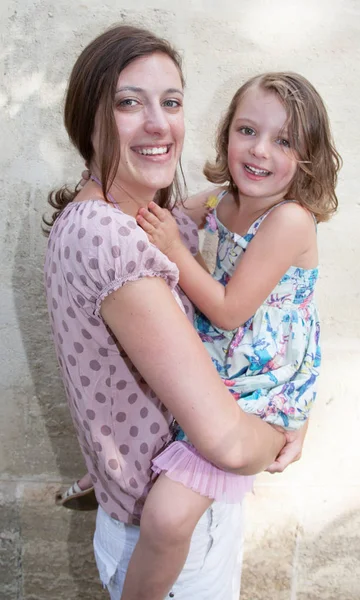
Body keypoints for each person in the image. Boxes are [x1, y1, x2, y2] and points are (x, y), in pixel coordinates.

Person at [44, 25, 307, 600]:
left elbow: (205, 205)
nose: (159, 123)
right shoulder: (115, 239)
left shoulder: (119, 219)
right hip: (173, 547)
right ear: (87, 118)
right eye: (128, 102)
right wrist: (285, 425)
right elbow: (229, 446)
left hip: (154, 523)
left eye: (172, 102)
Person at [127, 71, 342, 595]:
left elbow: (227, 311)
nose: (260, 150)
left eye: (284, 140)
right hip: (220, 368)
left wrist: (177, 251)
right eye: (247, 130)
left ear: (308, 157)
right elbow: (172, 216)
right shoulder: (222, 198)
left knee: (168, 517)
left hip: (258, 390)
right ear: (227, 133)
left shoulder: (290, 219)